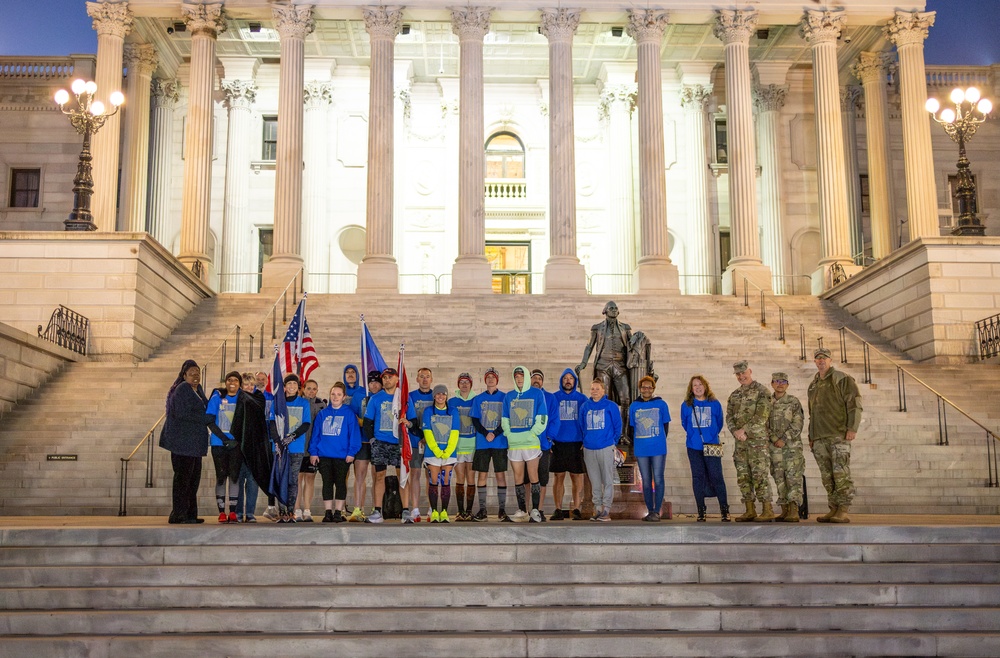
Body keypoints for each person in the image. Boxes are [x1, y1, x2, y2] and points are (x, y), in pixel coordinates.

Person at [808, 347, 862, 523]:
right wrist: (811, 436)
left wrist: (852, 427)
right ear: (815, 361)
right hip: (819, 437)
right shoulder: (814, 384)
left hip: (838, 434)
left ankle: (843, 509)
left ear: (830, 360)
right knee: (827, 475)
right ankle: (833, 507)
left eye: (824, 358)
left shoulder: (841, 378)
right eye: (818, 358)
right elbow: (812, 412)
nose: (821, 361)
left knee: (840, 473)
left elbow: (854, 403)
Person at [159, 359, 209, 524]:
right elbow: (182, 414)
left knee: (193, 481)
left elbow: (207, 408)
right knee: (183, 480)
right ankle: (178, 514)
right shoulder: (182, 389)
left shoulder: (198, 390)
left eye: (198, 372)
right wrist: (205, 418)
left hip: (194, 445)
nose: (196, 376)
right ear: (184, 375)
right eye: (192, 373)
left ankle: (190, 514)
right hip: (182, 444)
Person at [726, 360, 775, 522]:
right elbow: (729, 416)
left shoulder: (762, 391)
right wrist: (735, 431)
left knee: (760, 474)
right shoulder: (734, 395)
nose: (741, 376)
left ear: (750, 371)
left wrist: (744, 430)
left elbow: (762, 415)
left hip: (757, 442)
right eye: (738, 374)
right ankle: (749, 509)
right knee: (743, 476)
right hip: (740, 443)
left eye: (743, 372)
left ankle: (767, 509)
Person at [362, 367, 409, 524]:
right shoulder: (376, 399)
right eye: (384, 378)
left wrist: (408, 423)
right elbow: (368, 422)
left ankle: (406, 511)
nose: (387, 380)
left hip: (399, 443)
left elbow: (414, 421)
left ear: (397, 379)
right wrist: (372, 440)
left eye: (390, 377)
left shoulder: (403, 398)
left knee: (401, 476)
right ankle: (377, 511)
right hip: (381, 443)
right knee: (379, 476)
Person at [309, 382, 362, 523]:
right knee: (327, 483)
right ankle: (328, 512)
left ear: (344, 397)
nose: (335, 397)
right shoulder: (322, 414)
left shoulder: (349, 414)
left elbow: (354, 435)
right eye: (333, 394)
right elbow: (315, 435)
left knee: (340, 483)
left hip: (342, 456)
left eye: (339, 394)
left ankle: (338, 512)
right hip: (324, 455)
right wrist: (313, 452)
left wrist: (352, 452)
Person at [502, 366, 548, 523]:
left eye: (521, 376)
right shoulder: (509, 396)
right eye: (516, 377)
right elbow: (505, 418)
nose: (519, 379)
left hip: (530, 444)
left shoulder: (537, 394)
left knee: (534, 476)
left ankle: (535, 510)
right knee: (518, 478)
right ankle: (522, 510)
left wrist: (533, 433)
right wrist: (509, 434)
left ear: (527, 377)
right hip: (515, 444)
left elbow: (542, 417)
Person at [681, 375, 730, 522]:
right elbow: (685, 423)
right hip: (694, 447)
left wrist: (710, 435)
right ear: (691, 389)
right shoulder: (687, 405)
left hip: (712, 445)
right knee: (698, 478)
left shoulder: (714, 403)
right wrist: (695, 436)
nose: (698, 387)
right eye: (694, 385)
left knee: (717, 477)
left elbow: (719, 422)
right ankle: (701, 510)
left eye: (700, 384)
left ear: (705, 386)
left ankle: (724, 509)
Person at [577, 301, 633, 429]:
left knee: (626, 400)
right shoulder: (597, 328)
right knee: (605, 399)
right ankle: (607, 428)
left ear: (618, 312)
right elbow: (589, 346)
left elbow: (633, 346)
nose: (613, 310)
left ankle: (623, 432)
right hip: (603, 366)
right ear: (605, 311)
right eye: (610, 308)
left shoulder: (626, 328)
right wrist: (583, 363)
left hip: (620, 366)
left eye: (615, 308)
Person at [268, 373, 312, 523]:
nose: (292, 387)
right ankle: (281, 511)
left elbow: (306, 424)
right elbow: (272, 423)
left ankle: (291, 510)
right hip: (280, 449)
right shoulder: (277, 403)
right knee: (281, 479)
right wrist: (277, 440)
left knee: (293, 480)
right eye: (289, 384)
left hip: (296, 448)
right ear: (284, 387)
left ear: (298, 387)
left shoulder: (303, 403)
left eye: (294, 384)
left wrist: (291, 436)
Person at [627, 376, 670, 522]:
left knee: (658, 478)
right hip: (641, 448)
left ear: (653, 389)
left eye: (649, 387)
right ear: (640, 389)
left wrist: (658, 440)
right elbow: (632, 428)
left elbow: (665, 426)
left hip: (657, 447)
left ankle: (657, 510)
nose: (646, 390)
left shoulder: (661, 404)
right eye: (644, 387)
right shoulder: (634, 406)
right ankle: (650, 510)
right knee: (645, 480)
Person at [579, 379, 622, 522]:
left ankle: (606, 509)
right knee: (594, 480)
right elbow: (582, 426)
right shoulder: (585, 406)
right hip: (589, 449)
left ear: (603, 391)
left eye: (597, 388)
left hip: (606, 447)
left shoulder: (611, 406)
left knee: (608, 479)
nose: (594, 391)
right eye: (592, 389)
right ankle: (597, 508)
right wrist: (586, 441)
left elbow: (617, 426)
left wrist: (612, 443)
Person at [470, 367, 508, 522]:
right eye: (488, 377)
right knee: (482, 475)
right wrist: (486, 433)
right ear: (485, 380)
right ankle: (482, 509)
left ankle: (502, 509)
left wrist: (495, 432)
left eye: (493, 377)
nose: (491, 380)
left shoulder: (504, 398)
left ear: (497, 380)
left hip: (499, 442)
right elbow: (475, 419)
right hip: (483, 442)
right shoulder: (478, 399)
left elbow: (507, 419)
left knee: (500, 475)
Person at [206, 371, 243, 523]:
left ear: (240, 383)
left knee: (234, 477)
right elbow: (209, 420)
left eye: (236, 380)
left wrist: (237, 440)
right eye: (229, 379)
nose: (232, 382)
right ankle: (221, 512)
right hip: (219, 444)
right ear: (225, 382)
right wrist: (224, 439)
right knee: (221, 477)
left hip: (236, 445)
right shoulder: (217, 397)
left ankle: (232, 512)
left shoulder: (243, 398)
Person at [768, 372, 806, 523]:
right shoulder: (766, 402)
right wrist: (774, 438)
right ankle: (784, 509)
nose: (780, 384)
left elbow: (798, 423)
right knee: (779, 478)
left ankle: (794, 510)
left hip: (791, 448)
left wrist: (783, 439)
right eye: (777, 381)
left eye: (783, 381)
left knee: (793, 478)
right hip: (774, 448)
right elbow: (763, 423)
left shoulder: (793, 402)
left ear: (787, 385)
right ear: (772, 384)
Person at [550, 368, 587, 520]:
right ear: (561, 381)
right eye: (565, 378)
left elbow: (586, 420)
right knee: (558, 477)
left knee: (576, 477)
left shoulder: (582, 398)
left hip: (576, 443)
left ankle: (577, 509)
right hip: (558, 442)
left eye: (570, 378)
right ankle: (558, 509)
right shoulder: (554, 398)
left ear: (575, 381)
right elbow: (549, 418)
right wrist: (549, 438)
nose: (568, 380)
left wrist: (585, 439)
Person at [524, 369, 560, 521]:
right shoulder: (524, 396)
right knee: (526, 479)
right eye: (534, 378)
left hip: (543, 445)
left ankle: (539, 509)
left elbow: (555, 419)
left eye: (539, 378)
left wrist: (549, 437)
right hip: (526, 444)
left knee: (542, 478)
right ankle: (527, 510)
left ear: (543, 381)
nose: (536, 380)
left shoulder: (550, 398)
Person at [423, 384, 461, 522]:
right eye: (438, 394)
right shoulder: (428, 411)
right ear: (434, 396)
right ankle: (434, 512)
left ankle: (444, 512)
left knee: (446, 482)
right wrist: (437, 450)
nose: (440, 396)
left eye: (443, 394)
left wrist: (448, 451)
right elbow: (427, 432)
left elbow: (455, 432)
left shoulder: (453, 411)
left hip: (448, 454)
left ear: (446, 396)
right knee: (434, 481)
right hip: (432, 453)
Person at [348, 370, 382, 522]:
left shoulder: (385, 397)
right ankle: (357, 509)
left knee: (377, 477)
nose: (374, 385)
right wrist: (364, 422)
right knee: (360, 476)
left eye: (376, 382)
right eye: (371, 382)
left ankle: (377, 508)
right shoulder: (359, 395)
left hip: (379, 442)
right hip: (362, 441)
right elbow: (352, 416)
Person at [233, 372, 266, 522]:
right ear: (241, 385)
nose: (249, 387)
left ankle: (250, 513)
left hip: (255, 446)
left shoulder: (259, 398)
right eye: (246, 384)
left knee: (253, 482)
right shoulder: (238, 398)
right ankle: (239, 512)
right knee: (239, 481)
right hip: (239, 446)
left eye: (252, 385)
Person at [293, 378, 326, 522]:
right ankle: (297, 509)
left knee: (310, 479)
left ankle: (307, 509)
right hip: (298, 448)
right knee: (297, 480)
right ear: (303, 389)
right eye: (309, 388)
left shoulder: (321, 405)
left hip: (313, 449)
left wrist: (317, 450)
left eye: (314, 389)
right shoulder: (298, 403)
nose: (311, 391)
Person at [405, 367, 435, 522]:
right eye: (421, 376)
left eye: (427, 376)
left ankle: (431, 508)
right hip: (415, 441)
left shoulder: (437, 396)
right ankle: (415, 509)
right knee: (415, 475)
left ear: (431, 379)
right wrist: (420, 435)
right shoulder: (410, 397)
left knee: (431, 476)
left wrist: (428, 437)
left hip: (432, 444)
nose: (424, 379)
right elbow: (410, 419)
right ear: (416, 379)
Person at [449, 373, 478, 521]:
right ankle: (460, 511)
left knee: (471, 477)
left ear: (471, 384)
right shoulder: (452, 401)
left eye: (467, 382)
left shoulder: (476, 400)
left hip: (472, 444)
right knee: (460, 478)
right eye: (462, 382)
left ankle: (469, 511)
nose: (465, 384)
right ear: (458, 384)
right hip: (458, 445)